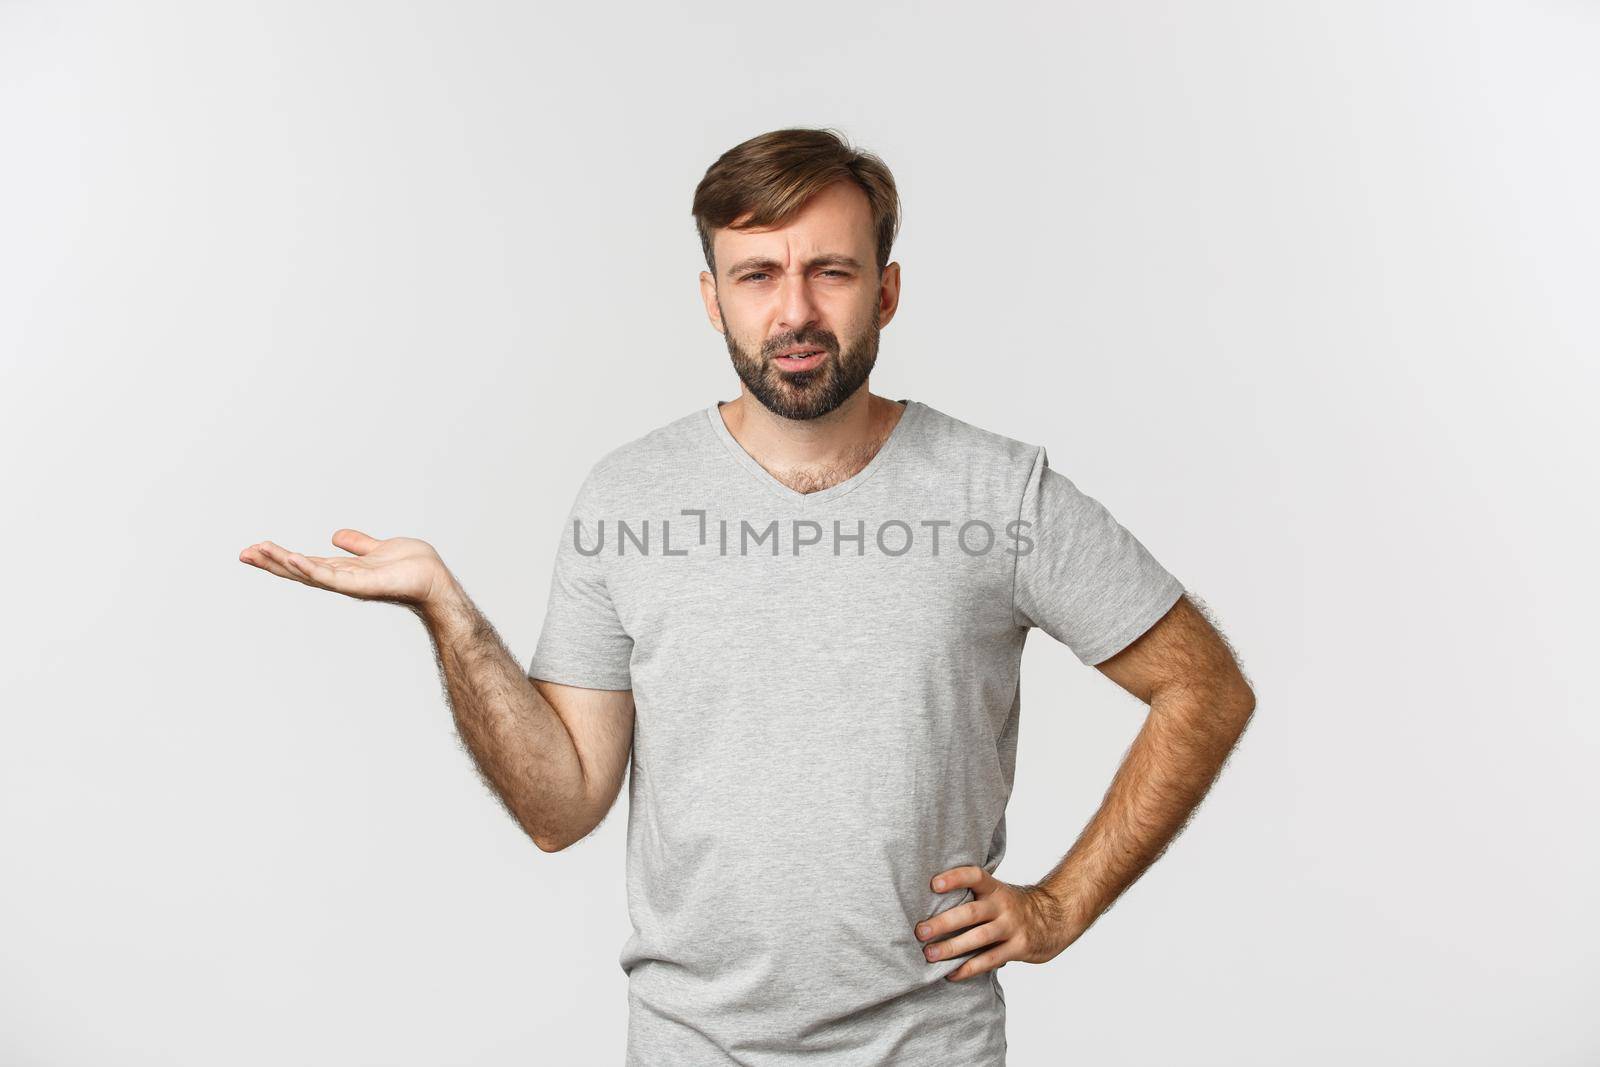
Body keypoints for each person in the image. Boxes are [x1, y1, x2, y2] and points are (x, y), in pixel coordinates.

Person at [239, 127, 1256, 1065]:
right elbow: (561, 806)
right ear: (711, 296)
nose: (795, 311)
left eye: (831, 271)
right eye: (757, 275)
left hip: (926, 1046)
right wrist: (446, 612)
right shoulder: (627, 497)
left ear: (887, 290)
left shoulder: (1000, 492)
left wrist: (1061, 905)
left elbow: (1202, 687)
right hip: (690, 1046)